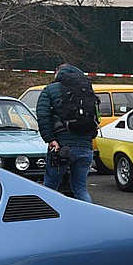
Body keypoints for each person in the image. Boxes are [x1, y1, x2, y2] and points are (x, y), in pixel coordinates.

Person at [36, 63, 98, 203]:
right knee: (80, 189)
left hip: (61, 148)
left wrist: (50, 139)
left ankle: (48, 215)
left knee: (50, 188)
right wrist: (89, 138)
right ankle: (89, 214)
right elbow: (96, 116)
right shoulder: (86, 89)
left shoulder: (50, 90)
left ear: (57, 73)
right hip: (85, 147)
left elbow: (43, 116)